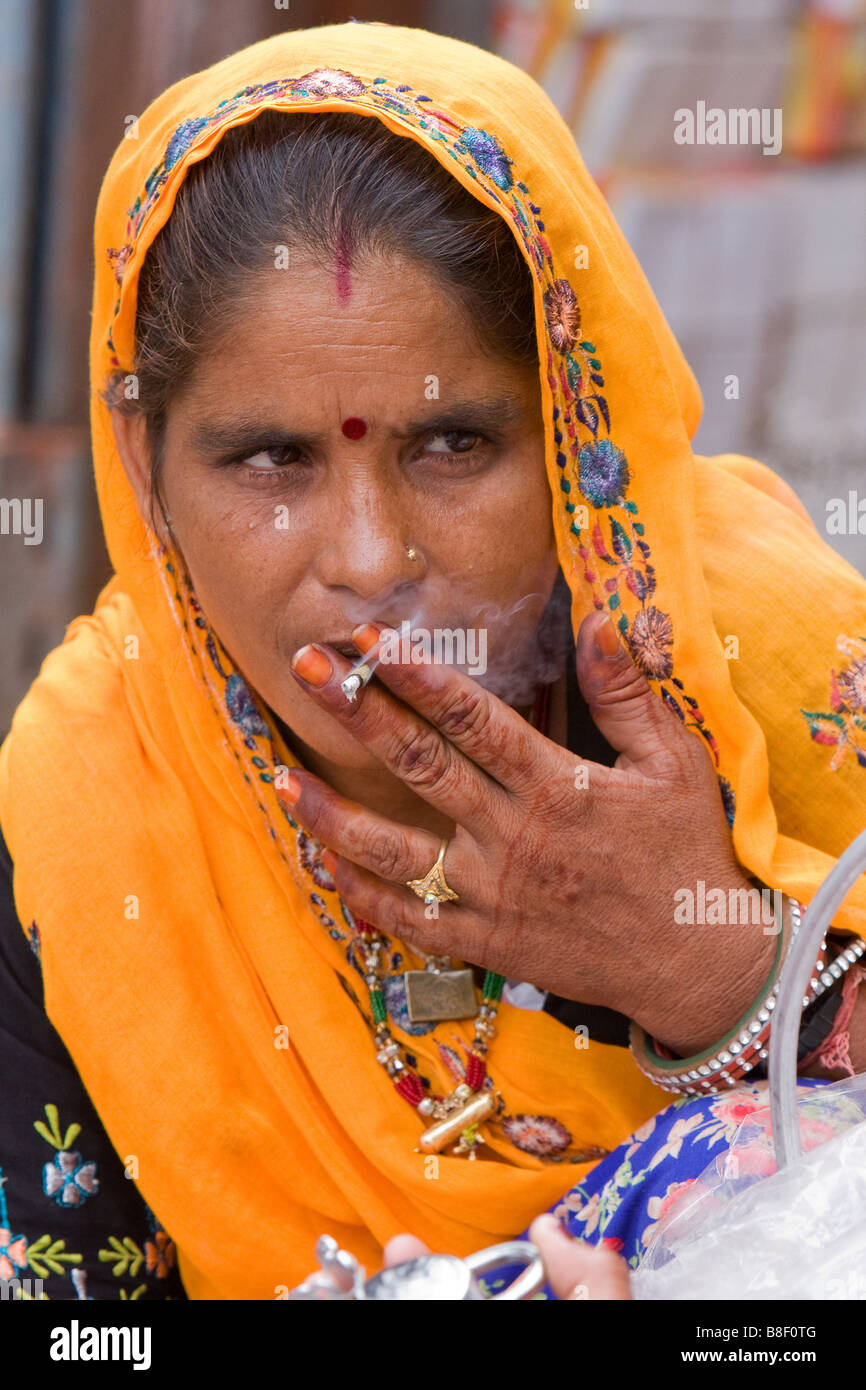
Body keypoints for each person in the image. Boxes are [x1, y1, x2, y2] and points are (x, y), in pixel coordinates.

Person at [1, 21, 865, 1302]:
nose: (369, 557)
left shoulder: (765, 673)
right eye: (269, 459)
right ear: (145, 470)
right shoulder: (83, 814)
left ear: (578, 425)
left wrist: (724, 972)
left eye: (453, 441)